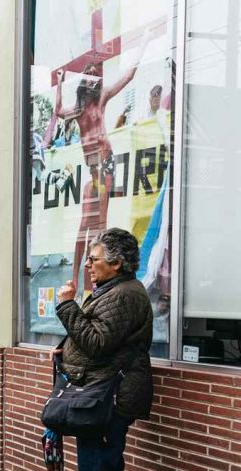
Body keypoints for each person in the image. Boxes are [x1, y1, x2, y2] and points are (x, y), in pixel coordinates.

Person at [54, 228, 153, 471]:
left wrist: (67, 306)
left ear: (117, 263)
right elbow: (97, 340)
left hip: (108, 403)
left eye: (93, 259)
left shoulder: (125, 295)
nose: (88, 265)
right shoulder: (114, 291)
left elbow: (97, 343)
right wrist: (66, 350)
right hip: (102, 398)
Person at [53, 27, 154, 290]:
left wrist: (143, 43)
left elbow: (129, 75)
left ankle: (98, 281)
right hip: (93, 167)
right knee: (84, 225)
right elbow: (58, 111)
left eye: (95, 76)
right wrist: (60, 82)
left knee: (99, 222)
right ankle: (78, 278)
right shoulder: (78, 108)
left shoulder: (102, 98)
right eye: (89, 76)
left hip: (106, 162)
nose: (93, 80)